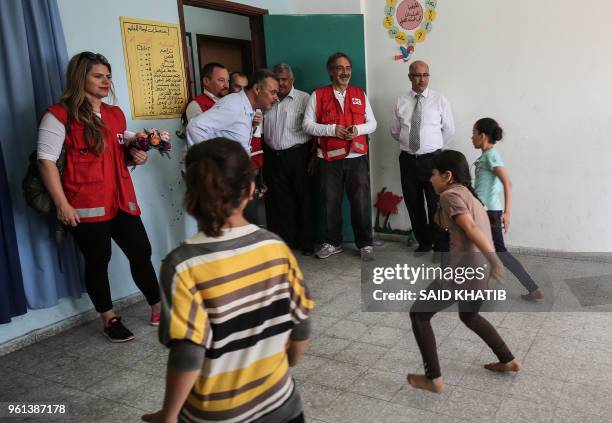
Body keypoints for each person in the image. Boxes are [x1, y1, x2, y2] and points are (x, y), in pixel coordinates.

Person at [142, 138, 313, 423]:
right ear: (249, 190)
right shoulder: (275, 247)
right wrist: (286, 364)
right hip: (282, 406)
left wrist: (168, 415)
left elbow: (188, 352)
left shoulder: (182, 265)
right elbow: (301, 325)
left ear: (191, 193)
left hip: (217, 416)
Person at [37, 52, 161, 342]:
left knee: (141, 252)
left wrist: (135, 156)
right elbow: (45, 162)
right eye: (98, 75)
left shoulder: (114, 115)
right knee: (98, 260)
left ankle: (158, 307)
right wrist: (62, 204)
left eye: (108, 75)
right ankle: (109, 318)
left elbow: (117, 156)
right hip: (85, 205)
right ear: (81, 78)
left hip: (121, 199)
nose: (106, 81)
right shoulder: (58, 116)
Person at [407, 150, 521, 393]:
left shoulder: (450, 196)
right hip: (479, 271)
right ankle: (508, 359)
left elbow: (469, 228)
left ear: (447, 176)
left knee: (419, 314)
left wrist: (495, 261)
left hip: (464, 271)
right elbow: (452, 225)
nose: (430, 179)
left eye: (434, 174)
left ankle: (433, 378)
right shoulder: (468, 194)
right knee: (469, 316)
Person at [303, 52, 377, 260]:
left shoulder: (360, 93)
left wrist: (358, 129)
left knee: (361, 202)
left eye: (347, 68)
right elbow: (307, 125)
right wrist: (333, 130)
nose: (344, 72)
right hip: (328, 158)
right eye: (339, 68)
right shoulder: (317, 95)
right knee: (329, 202)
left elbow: (373, 123)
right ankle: (331, 242)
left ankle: (365, 245)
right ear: (330, 71)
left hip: (357, 158)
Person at [472, 117, 544, 301]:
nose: (471, 137)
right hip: (484, 211)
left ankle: (530, 287)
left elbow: (507, 183)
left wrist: (507, 213)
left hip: (489, 212)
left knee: (493, 251)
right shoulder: (485, 156)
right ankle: (530, 288)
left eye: (473, 133)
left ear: (483, 135)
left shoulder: (491, 155)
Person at [391, 60, 455, 254]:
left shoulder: (439, 100)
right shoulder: (401, 101)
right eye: (418, 75)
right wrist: (412, 147)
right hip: (408, 160)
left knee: (436, 204)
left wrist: (432, 148)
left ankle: (439, 245)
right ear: (410, 77)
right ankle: (424, 242)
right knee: (413, 203)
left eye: (426, 75)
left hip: (433, 161)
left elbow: (449, 130)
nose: (422, 79)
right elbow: (395, 131)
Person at [263, 64, 314, 255]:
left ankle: (307, 242)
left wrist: (312, 158)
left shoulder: (304, 98)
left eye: (284, 79)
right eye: (277, 79)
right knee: (282, 202)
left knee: (304, 200)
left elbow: (313, 129)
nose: (281, 83)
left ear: (291, 80)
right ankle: (289, 242)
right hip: (274, 157)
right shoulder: (267, 99)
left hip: (299, 156)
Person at [185, 69, 278, 155]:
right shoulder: (234, 105)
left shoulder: (246, 106)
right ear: (257, 89)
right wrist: (211, 166)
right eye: (273, 92)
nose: (276, 98)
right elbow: (195, 127)